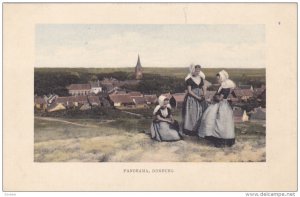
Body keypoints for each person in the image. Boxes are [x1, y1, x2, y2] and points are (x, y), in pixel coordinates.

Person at [198, 70, 236, 147]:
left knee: (220, 123)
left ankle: (221, 140)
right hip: (218, 105)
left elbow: (219, 99)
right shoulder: (222, 86)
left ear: (222, 78)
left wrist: (215, 97)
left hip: (222, 106)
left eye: (218, 79)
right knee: (212, 121)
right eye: (217, 79)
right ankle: (215, 139)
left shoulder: (225, 87)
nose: (217, 80)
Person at [182, 64, 208, 136]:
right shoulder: (189, 79)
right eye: (196, 71)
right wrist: (197, 97)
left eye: (199, 71)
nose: (197, 72)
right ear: (192, 70)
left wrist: (204, 93)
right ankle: (191, 130)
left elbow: (204, 87)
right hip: (192, 98)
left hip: (200, 96)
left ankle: (198, 129)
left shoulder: (201, 78)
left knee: (200, 112)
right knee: (192, 114)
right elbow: (189, 91)